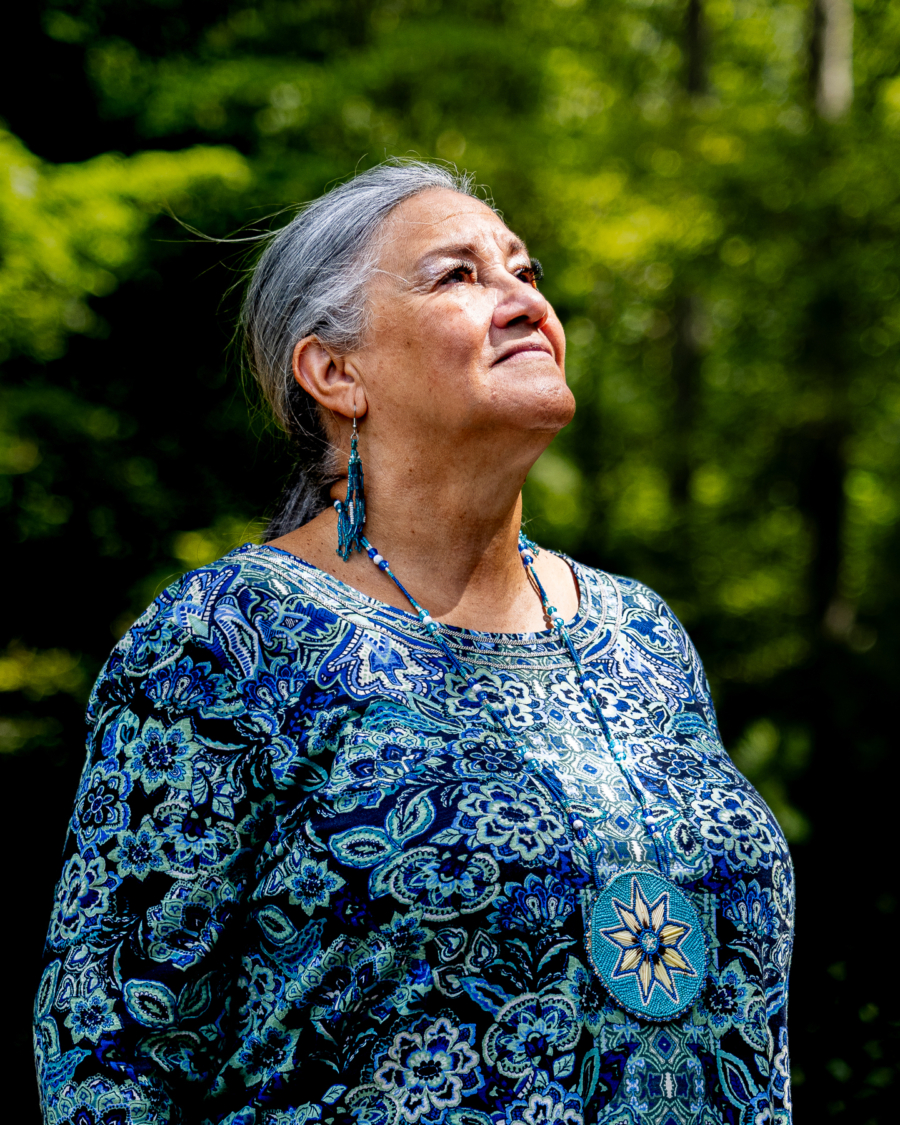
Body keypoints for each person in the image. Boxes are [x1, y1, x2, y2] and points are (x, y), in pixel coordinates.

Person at [35, 160, 794, 1125]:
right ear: (335, 372)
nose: (523, 300)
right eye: (459, 275)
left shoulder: (642, 634)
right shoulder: (226, 640)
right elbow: (108, 1059)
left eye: (527, 271)